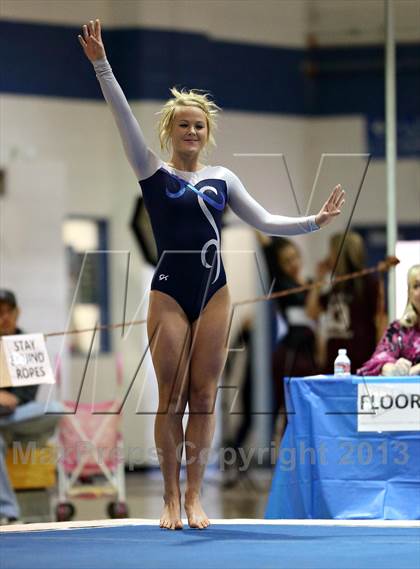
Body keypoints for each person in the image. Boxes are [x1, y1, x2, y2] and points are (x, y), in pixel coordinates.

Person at [78, 19, 345, 530]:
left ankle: (196, 496)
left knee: (204, 399)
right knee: (171, 398)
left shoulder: (223, 178)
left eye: (199, 125)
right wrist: (102, 66)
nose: (192, 132)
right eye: (183, 125)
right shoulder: (151, 171)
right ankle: (171, 498)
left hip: (216, 293)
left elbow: (264, 219)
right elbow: (122, 121)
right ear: (170, 131)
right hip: (170, 295)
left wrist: (315, 221)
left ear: (207, 132)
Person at [0, 289, 62, 525]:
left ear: (18, 313)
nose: (4, 317)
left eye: (9, 312)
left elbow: (24, 397)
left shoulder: (27, 345)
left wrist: (10, 399)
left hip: (18, 416)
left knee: (54, 408)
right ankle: (7, 511)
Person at [260, 236, 318, 445]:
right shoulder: (281, 284)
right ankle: (285, 455)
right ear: (279, 265)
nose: (293, 264)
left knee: (306, 406)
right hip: (291, 352)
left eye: (295, 258)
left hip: (308, 351)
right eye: (286, 261)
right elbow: (311, 313)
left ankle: (302, 451)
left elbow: (316, 314)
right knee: (286, 406)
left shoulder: (309, 282)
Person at [306, 231, 384, 374]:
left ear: (340, 254)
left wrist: (380, 357)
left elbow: (381, 320)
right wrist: (318, 279)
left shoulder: (368, 282)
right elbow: (311, 312)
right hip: (335, 357)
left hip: (362, 355)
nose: (328, 257)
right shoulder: (335, 285)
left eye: (331, 252)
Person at [358, 264, 420, 376]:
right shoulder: (398, 329)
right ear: (409, 293)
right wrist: (392, 369)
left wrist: (415, 370)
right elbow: (376, 363)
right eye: (416, 286)